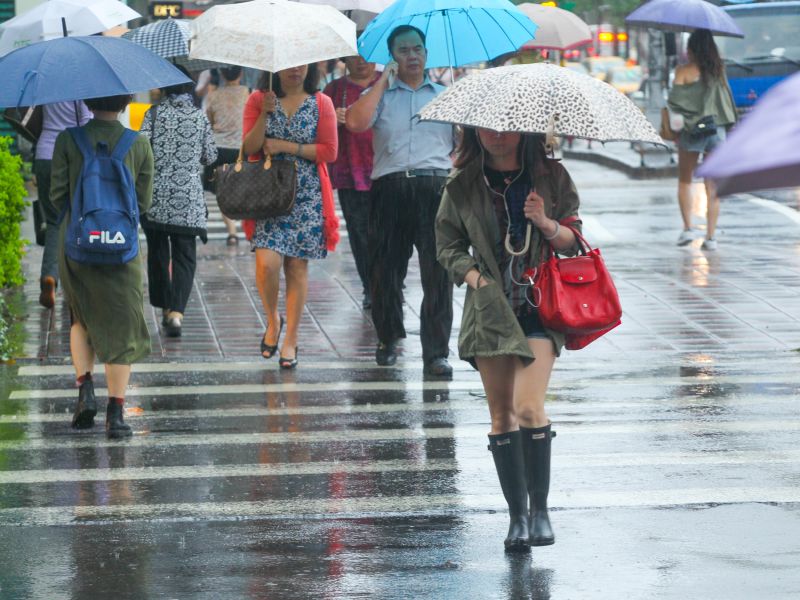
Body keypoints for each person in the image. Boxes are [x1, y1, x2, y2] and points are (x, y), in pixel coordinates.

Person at [435, 128, 582, 552]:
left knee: (528, 407)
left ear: (523, 130)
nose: (496, 137)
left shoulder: (550, 177)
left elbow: (574, 242)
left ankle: (540, 511)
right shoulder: (462, 183)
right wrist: (475, 276)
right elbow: (446, 245)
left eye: (505, 130)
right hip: (490, 309)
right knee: (502, 416)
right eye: (487, 130)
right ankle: (516, 516)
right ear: (474, 132)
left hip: (539, 305)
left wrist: (546, 223)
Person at [346, 25, 454, 375]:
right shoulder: (380, 97)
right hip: (390, 190)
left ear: (427, 53)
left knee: (438, 274)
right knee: (385, 271)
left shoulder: (446, 95)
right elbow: (357, 124)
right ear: (392, 57)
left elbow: (464, 147)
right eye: (404, 50)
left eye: (418, 49)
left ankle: (436, 352)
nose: (412, 56)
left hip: (435, 190)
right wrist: (381, 83)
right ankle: (388, 337)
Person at [49, 93, 154, 438]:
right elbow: (143, 202)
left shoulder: (68, 139)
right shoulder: (137, 143)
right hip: (121, 249)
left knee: (81, 316)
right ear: (125, 103)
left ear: (89, 101)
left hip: (77, 245)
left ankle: (85, 391)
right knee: (121, 324)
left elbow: (57, 196)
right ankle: (116, 413)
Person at [242, 64, 339, 368]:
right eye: (288, 65)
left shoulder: (321, 102)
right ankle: (273, 319)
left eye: (301, 64)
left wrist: (286, 146)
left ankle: (291, 339)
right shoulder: (259, 99)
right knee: (266, 265)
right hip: (269, 194)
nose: (296, 70)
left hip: (307, 194)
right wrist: (264, 114)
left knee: (297, 267)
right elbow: (248, 148)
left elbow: (329, 151)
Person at [139, 67, 218, 337]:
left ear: (164, 88)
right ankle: (176, 313)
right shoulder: (199, 117)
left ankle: (163, 306)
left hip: (156, 198)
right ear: (188, 88)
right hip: (188, 200)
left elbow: (141, 150)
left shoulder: (153, 114)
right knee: (185, 256)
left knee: (158, 253)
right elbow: (209, 157)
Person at [668, 28, 737, 250]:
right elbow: (726, 101)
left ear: (692, 49)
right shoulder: (718, 70)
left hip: (692, 131)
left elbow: (675, 103)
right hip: (716, 129)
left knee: (685, 180)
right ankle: (711, 236)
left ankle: (688, 228)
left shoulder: (683, 71)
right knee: (712, 185)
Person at [323, 54, 380, 309]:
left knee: (388, 234)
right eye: (355, 57)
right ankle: (371, 286)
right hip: (350, 173)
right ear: (345, 59)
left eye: (367, 57)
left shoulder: (385, 83)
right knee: (360, 235)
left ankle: (389, 280)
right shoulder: (334, 90)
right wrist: (332, 119)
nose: (361, 63)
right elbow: (318, 131)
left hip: (385, 170)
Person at [34, 101, 92, 308]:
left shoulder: (48, 82)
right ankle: (73, 284)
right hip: (71, 156)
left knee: (53, 222)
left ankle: (50, 275)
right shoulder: (79, 87)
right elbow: (86, 122)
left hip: (44, 153)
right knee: (76, 220)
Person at [205, 65, 250, 245]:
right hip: (242, 148)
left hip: (219, 149)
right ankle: (248, 228)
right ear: (241, 73)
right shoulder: (250, 93)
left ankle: (232, 233)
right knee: (244, 191)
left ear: (222, 75)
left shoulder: (214, 95)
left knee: (222, 192)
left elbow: (210, 120)